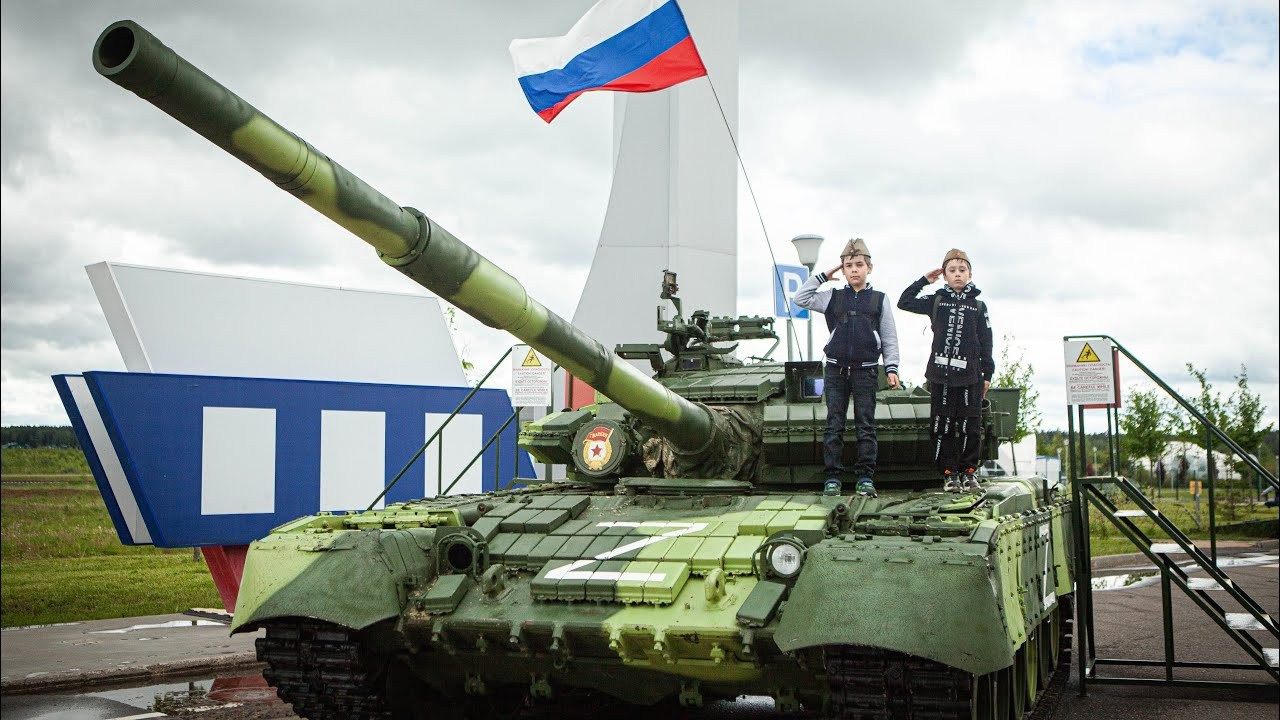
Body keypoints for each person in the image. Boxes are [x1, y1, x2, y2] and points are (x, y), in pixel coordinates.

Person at [794, 237, 900, 497]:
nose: (854, 269)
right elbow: (800, 299)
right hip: (835, 369)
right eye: (848, 265)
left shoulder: (879, 299)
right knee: (834, 425)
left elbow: (889, 336)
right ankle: (833, 478)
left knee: (866, 425)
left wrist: (892, 367)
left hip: (866, 370)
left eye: (859, 264)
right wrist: (822, 276)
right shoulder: (832, 296)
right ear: (842, 269)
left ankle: (865, 477)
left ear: (869, 268)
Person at [897, 248, 994, 492]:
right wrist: (924, 281)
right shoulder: (936, 301)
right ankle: (949, 473)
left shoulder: (978, 306)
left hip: (971, 376)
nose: (958, 275)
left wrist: (987, 374)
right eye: (952, 270)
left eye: (962, 270)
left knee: (970, 425)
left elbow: (986, 340)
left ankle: (969, 472)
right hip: (941, 376)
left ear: (970, 273)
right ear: (945, 275)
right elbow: (904, 302)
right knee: (943, 426)